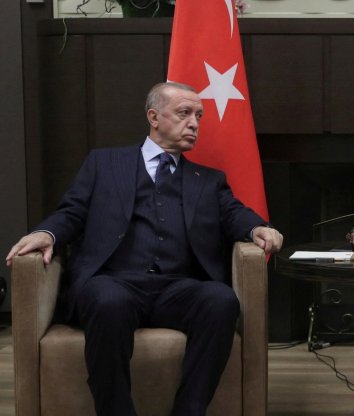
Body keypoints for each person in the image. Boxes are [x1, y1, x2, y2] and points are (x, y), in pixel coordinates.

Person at [5, 82, 283, 416]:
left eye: (198, 116)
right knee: (109, 301)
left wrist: (258, 228)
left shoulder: (208, 180)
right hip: (114, 281)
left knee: (221, 300)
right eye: (184, 113)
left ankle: (189, 411)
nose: (194, 123)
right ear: (154, 117)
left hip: (178, 287)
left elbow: (234, 213)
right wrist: (47, 233)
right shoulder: (104, 163)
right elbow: (73, 211)